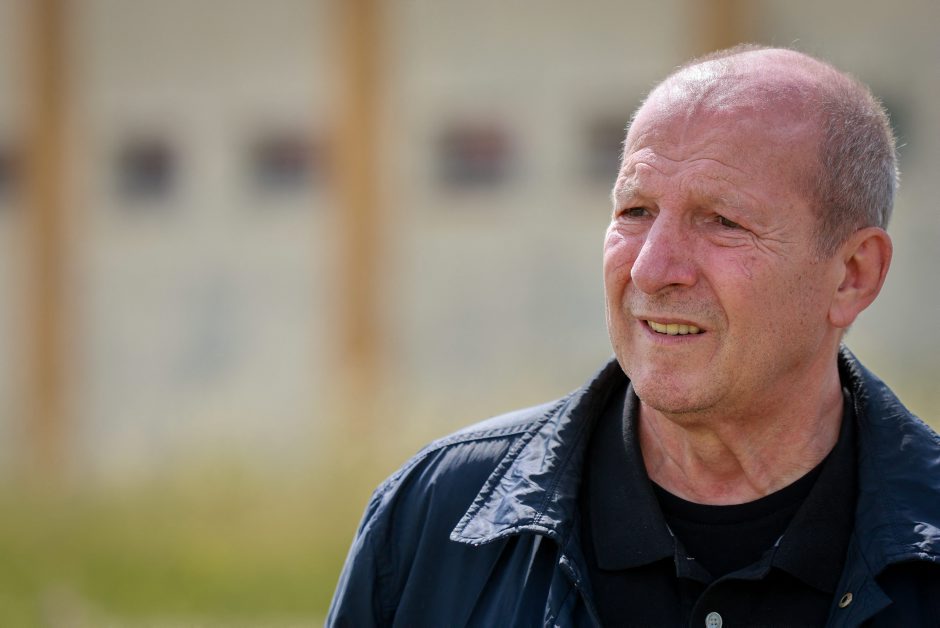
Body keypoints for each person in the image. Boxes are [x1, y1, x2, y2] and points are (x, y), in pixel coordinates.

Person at [327, 45, 940, 627]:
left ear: (852, 275)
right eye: (635, 211)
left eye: (722, 221)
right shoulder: (434, 521)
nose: (650, 268)